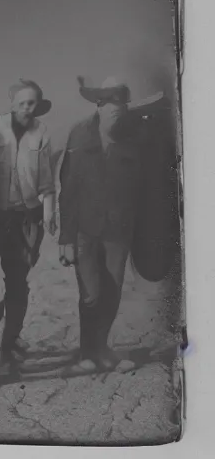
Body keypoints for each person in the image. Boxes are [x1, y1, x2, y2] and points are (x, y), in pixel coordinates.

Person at [58, 76, 167, 373]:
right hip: (85, 228)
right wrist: (65, 238)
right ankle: (86, 352)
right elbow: (67, 188)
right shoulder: (79, 134)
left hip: (119, 230)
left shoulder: (135, 135)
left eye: (121, 102)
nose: (116, 108)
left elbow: (147, 184)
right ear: (99, 106)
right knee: (91, 293)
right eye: (109, 103)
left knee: (112, 291)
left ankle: (101, 349)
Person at [0, 79, 56, 375]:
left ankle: (9, 344)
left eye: (32, 103)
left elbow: (46, 181)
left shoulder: (41, 132)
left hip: (25, 219)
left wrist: (49, 213)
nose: (27, 109)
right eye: (22, 103)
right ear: (11, 103)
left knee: (18, 283)